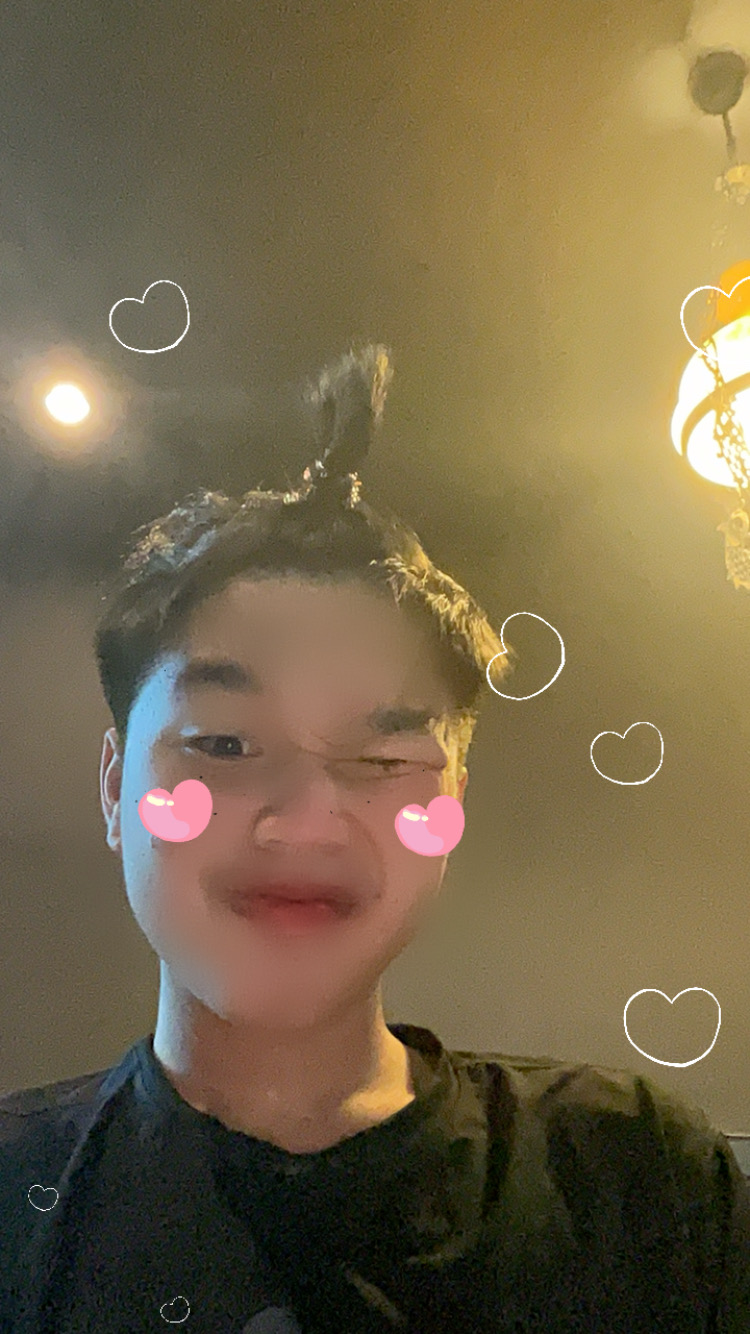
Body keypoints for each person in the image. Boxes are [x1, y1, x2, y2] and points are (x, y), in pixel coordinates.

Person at [1, 343, 748, 1334]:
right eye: (223, 743)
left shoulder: (637, 1178)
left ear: (453, 802)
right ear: (114, 786)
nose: (306, 818)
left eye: (384, 758)